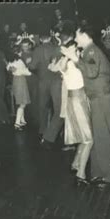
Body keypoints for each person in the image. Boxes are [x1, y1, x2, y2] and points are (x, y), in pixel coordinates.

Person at [75, 24, 110, 186]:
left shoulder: (92, 50)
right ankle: (100, 172)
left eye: (77, 35)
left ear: (84, 35)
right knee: (99, 135)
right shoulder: (89, 50)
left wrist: (76, 60)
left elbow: (91, 72)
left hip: (101, 98)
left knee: (103, 136)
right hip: (98, 97)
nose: (75, 39)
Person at [51, 44, 93, 184]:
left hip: (78, 99)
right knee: (88, 139)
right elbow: (59, 68)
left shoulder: (74, 62)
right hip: (77, 100)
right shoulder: (70, 64)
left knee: (84, 136)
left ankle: (75, 164)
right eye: (76, 50)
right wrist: (67, 55)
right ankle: (81, 174)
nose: (79, 52)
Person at [40, 20, 76, 150]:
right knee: (62, 112)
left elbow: (52, 66)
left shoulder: (60, 49)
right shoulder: (64, 49)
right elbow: (54, 67)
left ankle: (56, 138)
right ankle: (51, 138)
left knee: (62, 112)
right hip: (61, 84)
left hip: (60, 84)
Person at [28, 29, 62, 137]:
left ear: (41, 39)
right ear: (50, 37)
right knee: (57, 108)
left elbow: (32, 66)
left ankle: (43, 130)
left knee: (43, 106)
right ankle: (56, 131)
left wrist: (32, 66)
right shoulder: (56, 48)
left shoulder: (37, 50)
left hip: (43, 81)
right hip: (56, 81)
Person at [6, 53, 31, 131]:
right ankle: (17, 123)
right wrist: (28, 64)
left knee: (21, 101)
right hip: (21, 81)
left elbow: (8, 68)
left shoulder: (10, 62)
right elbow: (28, 72)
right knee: (23, 103)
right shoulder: (20, 61)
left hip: (15, 81)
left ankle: (22, 121)